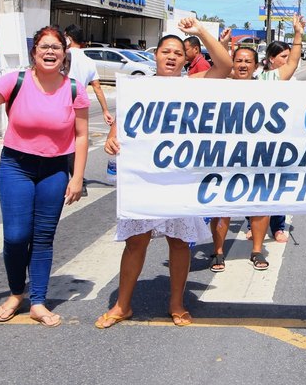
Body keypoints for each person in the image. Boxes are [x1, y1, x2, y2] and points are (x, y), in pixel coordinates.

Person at [95, 17, 231, 329]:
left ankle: (176, 303)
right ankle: (122, 305)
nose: (170, 56)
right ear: (155, 55)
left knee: (179, 243)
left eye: (177, 53)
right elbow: (120, 126)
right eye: (165, 51)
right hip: (145, 179)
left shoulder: (192, 85)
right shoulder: (138, 88)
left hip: (180, 179)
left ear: (186, 60)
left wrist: (199, 32)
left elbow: (223, 65)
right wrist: (112, 140)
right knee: (136, 241)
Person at [0, 26, 90, 327]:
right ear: (34, 51)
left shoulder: (75, 88)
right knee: (15, 236)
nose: (50, 52)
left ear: (65, 54)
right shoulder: (17, 80)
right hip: (16, 165)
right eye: (44, 47)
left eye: (56, 47)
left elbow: (80, 136)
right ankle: (16, 292)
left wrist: (76, 177)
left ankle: (38, 301)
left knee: (43, 237)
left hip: (54, 170)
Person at [246, 13, 306, 270]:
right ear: (270, 60)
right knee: (254, 184)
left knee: (276, 184)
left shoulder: (278, 79)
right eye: (281, 58)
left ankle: (277, 225)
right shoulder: (247, 81)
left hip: (278, 143)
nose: (286, 62)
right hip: (250, 144)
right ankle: (254, 224)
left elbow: (293, 61)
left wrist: (297, 35)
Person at [199, 43, 258, 272]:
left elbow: (290, 66)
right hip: (223, 156)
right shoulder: (219, 86)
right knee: (221, 204)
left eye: (247, 61)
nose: (243, 65)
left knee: (258, 203)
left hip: (254, 156)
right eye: (239, 60)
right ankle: (218, 251)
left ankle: (257, 249)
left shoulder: (268, 88)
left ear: (256, 66)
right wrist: (221, 46)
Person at [64, 24, 114, 196]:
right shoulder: (89, 61)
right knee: (76, 141)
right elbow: (98, 88)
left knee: (63, 142)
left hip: (62, 102)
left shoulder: (64, 55)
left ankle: (77, 180)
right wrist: (105, 111)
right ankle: (77, 178)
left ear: (68, 38)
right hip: (80, 105)